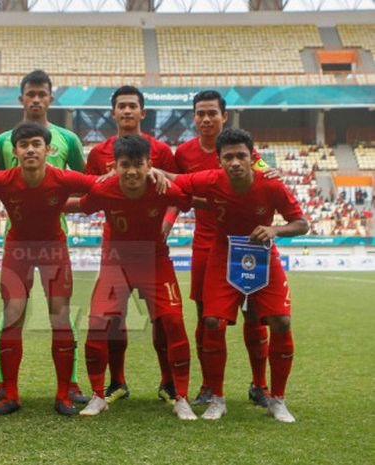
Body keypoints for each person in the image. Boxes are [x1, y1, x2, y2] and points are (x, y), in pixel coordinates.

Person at [166, 127, 309, 422]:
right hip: (224, 256)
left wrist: (275, 230)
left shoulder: (271, 186)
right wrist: (147, 169)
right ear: (219, 160)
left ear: (251, 157)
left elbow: (301, 224)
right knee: (212, 321)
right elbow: (176, 180)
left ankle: (277, 400)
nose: (234, 162)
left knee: (281, 321)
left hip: (264, 257)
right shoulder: (210, 180)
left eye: (241, 156)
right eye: (228, 157)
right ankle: (217, 399)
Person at [0, 122, 98, 416]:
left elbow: (100, 188)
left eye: (36, 144)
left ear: (48, 149)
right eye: (23, 145)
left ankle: (64, 393)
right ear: (15, 151)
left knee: (60, 317)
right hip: (18, 250)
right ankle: (10, 394)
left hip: (53, 249)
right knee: (12, 318)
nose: (30, 150)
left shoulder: (62, 178)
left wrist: (75, 206)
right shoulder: (2, 179)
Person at [67, 134, 197, 420]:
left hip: (155, 262)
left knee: (174, 321)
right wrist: (37, 202)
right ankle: (98, 395)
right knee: (98, 324)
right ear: (114, 165)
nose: (132, 171)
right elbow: (78, 204)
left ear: (149, 164)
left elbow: (192, 198)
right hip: (117, 264)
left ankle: (181, 397)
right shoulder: (105, 188)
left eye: (138, 164)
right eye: (125, 165)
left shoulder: (163, 188)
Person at [0, 69, 88, 405]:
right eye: (30, 94)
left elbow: (87, 186)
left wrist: (60, 202)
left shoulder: (68, 140)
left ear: (50, 98)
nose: (35, 99)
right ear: (21, 99)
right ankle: (6, 386)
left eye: (41, 93)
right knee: (11, 312)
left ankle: (69, 385)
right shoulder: (1, 141)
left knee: (60, 313)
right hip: (15, 240)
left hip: (53, 241)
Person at [174, 90, 272, 408]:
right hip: (207, 242)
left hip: (248, 243)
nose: (205, 119)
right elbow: (180, 193)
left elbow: (265, 176)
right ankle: (208, 386)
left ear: (223, 116)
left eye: (212, 113)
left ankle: (259, 385)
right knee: (207, 317)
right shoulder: (185, 154)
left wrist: (273, 171)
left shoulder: (243, 151)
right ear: (193, 117)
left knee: (254, 313)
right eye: (200, 113)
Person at [83, 85, 180, 404]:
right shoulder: (98, 154)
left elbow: (176, 193)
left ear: (143, 112)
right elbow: (91, 193)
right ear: (113, 113)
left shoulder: (163, 151)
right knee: (111, 318)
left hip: (153, 249)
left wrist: (166, 224)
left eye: (132, 106)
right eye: (121, 106)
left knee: (163, 319)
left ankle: (168, 383)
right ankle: (117, 382)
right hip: (116, 250)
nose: (126, 111)